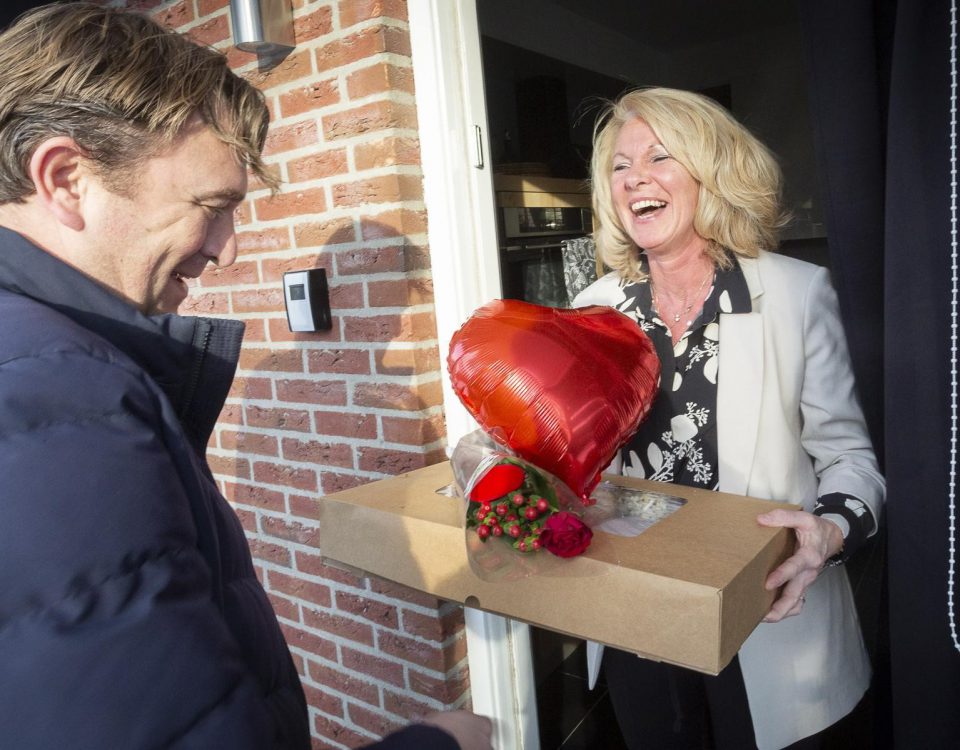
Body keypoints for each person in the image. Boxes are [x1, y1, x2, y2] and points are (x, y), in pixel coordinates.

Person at [0, 5, 492, 750]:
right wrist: (442, 742)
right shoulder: (62, 398)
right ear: (67, 178)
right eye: (212, 207)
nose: (226, 252)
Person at [573, 87, 885, 750]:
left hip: (768, 618)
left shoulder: (797, 294)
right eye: (619, 166)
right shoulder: (594, 311)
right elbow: (564, 444)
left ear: (710, 171)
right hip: (641, 615)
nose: (635, 179)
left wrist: (827, 536)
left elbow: (851, 461)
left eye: (659, 156)